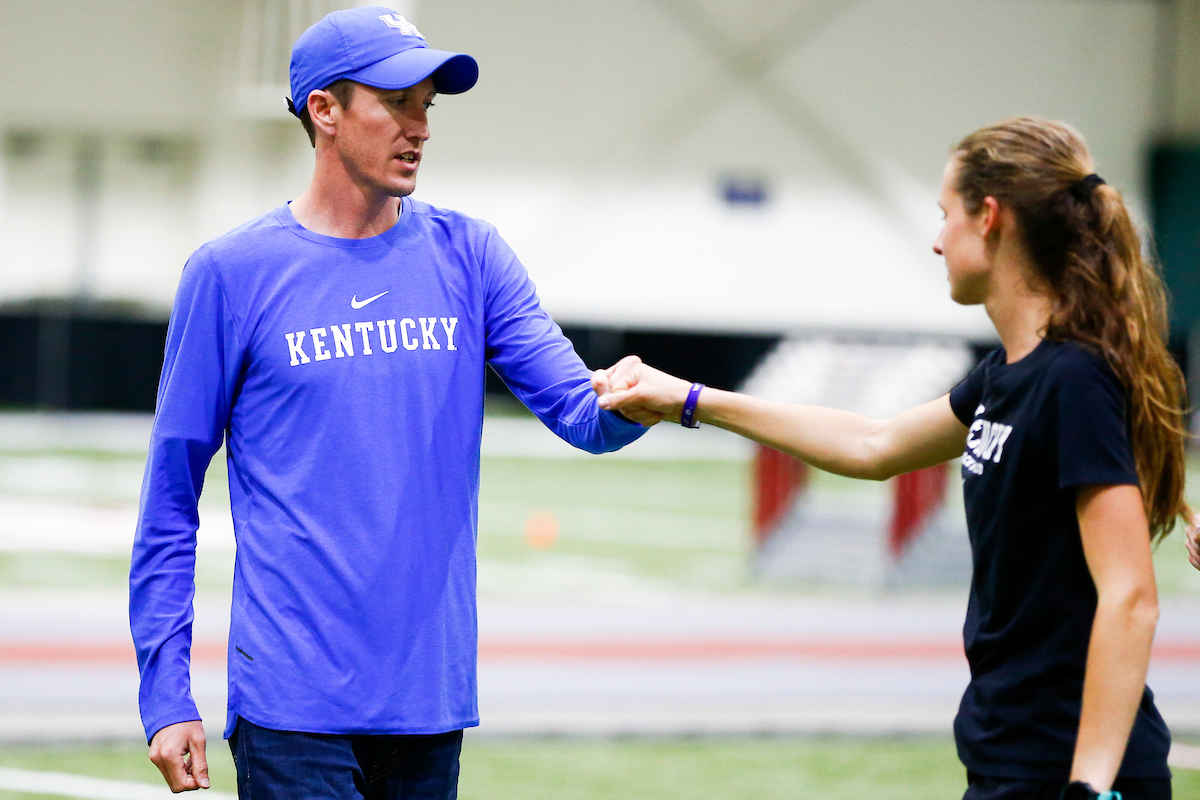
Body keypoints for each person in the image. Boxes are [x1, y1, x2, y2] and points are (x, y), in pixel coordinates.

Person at [129, 7, 644, 798]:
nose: (421, 127)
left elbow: (585, 418)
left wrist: (660, 397)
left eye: (427, 106)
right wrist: (166, 694)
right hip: (293, 711)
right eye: (396, 101)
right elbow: (170, 499)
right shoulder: (231, 274)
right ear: (324, 111)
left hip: (429, 703)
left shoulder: (471, 255)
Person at [595, 118, 1189, 800]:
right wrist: (688, 399)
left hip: (1067, 773)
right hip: (1006, 757)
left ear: (989, 218)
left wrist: (1089, 787)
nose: (937, 240)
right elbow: (874, 444)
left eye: (946, 215)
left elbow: (1132, 597)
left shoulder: (1072, 379)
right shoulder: (1006, 378)